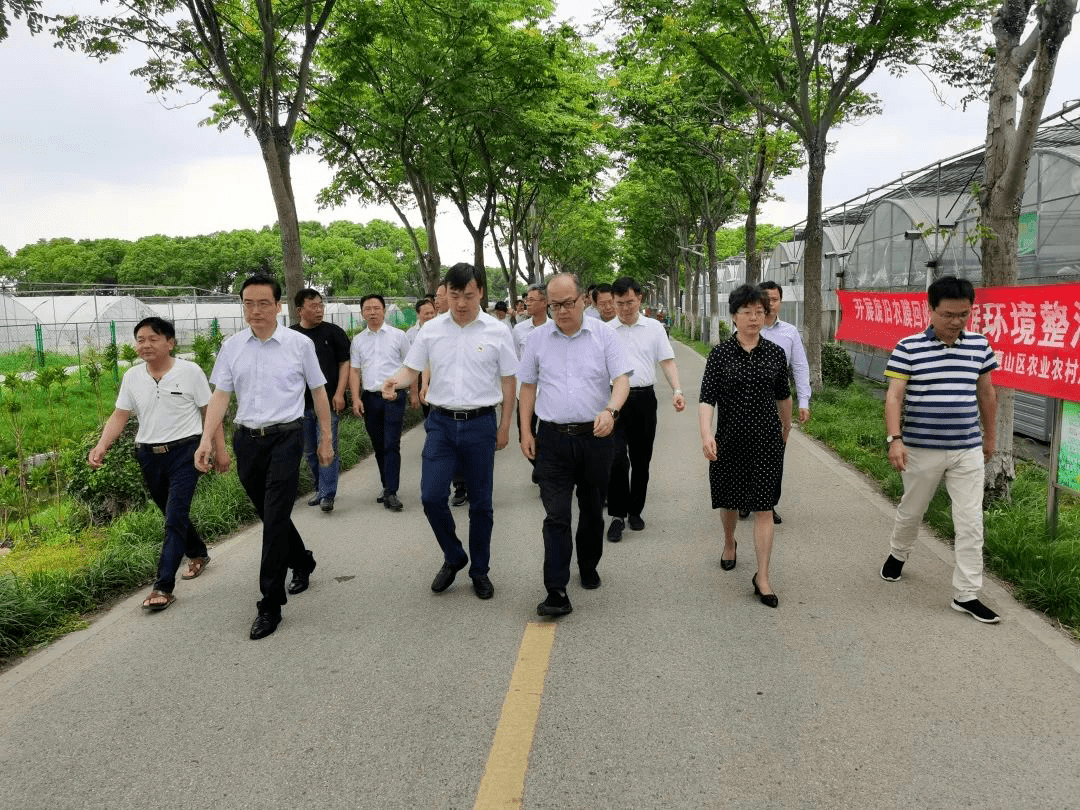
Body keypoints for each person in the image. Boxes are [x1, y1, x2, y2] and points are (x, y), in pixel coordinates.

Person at [195, 274, 334, 640]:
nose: (255, 311)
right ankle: (302, 559)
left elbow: (319, 393)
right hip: (247, 442)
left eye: (262, 303)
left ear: (277, 306)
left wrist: (326, 440)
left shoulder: (298, 345)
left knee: (273, 520)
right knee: (270, 514)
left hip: (287, 438)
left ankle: (269, 604)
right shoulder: (232, 347)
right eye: (248, 304)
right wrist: (207, 439)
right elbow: (220, 397)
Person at [381, 263, 518, 599]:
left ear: (480, 292)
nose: (460, 303)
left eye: (468, 295)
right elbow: (411, 368)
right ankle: (454, 555)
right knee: (430, 496)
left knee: (481, 504)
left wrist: (505, 427)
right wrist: (394, 383)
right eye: (454, 295)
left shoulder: (498, 331)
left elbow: (509, 381)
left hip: (481, 424)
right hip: (441, 423)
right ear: (445, 294)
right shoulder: (432, 330)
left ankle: (480, 570)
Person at [880, 276, 1000, 623]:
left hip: (967, 449)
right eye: (948, 314)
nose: (956, 322)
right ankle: (898, 554)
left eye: (964, 314)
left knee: (970, 521)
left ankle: (966, 594)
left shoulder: (979, 346)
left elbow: (987, 394)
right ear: (930, 309)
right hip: (921, 448)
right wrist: (895, 439)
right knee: (912, 510)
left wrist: (989, 438)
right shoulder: (909, 347)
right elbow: (894, 396)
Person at [89, 317, 229, 612]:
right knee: (170, 512)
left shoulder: (190, 372)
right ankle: (198, 552)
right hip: (148, 455)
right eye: (140, 339)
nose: (145, 344)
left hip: (186, 452)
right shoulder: (132, 377)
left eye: (153, 338)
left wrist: (220, 450)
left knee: (174, 516)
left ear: (170, 342)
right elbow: (120, 415)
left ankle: (163, 586)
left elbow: (210, 413)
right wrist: (102, 445)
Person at [518, 272, 632, 617]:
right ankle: (556, 589)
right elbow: (527, 387)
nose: (563, 311)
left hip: (595, 437)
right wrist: (526, 431)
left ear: (583, 299)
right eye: (555, 305)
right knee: (556, 515)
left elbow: (622, 380)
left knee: (592, 506)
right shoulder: (537, 339)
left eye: (568, 303)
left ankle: (588, 563)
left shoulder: (603, 337)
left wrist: (611, 411)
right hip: (552, 438)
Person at [699, 284, 791, 609]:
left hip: (766, 441)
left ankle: (762, 578)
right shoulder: (720, 354)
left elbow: (783, 396)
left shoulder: (776, 354)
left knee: (764, 506)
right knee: (729, 500)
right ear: (734, 316)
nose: (754, 318)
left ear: (766, 316)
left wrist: (786, 426)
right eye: (747, 312)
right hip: (730, 440)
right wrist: (706, 434)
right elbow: (707, 398)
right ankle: (729, 543)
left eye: (760, 312)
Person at [605, 276, 686, 542]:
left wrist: (677, 390)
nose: (625, 308)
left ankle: (635, 510)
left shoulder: (653, 328)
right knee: (617, 458)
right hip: (615, 401)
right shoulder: (605, 331)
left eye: (629, 302)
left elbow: (667, 361)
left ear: (640, 298)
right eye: (619, 303)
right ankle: (617, 515)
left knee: (641, 460)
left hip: (643, 399)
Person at [744, 280, 811, 525]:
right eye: (765, 299)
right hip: (749, 405)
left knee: (774, 457)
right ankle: (745, 500)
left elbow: (800, 367)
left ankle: (768, 504)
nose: (770, 304)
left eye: (774, 299)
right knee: (747, 454)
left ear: (780, 302)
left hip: (778, 404)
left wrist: (804, 401)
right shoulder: (748, 328)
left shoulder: (790, 332)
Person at [349, 293, 413, 511]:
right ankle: (386, 486)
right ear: (362, 313)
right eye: (368, 308)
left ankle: (392, 492)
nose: (372, 312)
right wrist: (356, 398)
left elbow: (410, 366)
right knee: (378, 446)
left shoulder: (399, 336)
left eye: (376, 308)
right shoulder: (358, 341)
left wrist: (413, 392)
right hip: (370, 399)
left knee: (391, 444)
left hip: (394, 397)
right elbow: (355, 371)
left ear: (384, 311)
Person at [291, 289, 350, 513]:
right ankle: (319, 487)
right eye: (313, 306)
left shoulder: (333, 332)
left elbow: (345, 363)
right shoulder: (292, 336)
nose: (319, 310)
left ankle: (327, 494)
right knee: (309, 451)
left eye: (320, 305)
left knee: (327, 446)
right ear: (299, 310)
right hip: (301, 405)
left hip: (329, 402)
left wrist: (339, 393)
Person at [407, 297, 438, 414]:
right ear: (418, 314)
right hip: (421, 379)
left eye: (432, 313)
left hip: (439, 378)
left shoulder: (441, 330)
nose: (430, 316)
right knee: (428, 413)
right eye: (426, 313)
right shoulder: (410, 334)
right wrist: (414, 391)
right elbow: (410, 364)